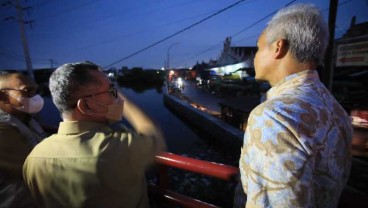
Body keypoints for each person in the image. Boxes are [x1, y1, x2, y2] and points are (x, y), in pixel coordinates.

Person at [235, 4, 353, 208]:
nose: (254, 56)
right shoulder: (336, 109)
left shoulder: (274, 116)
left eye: (259, 48)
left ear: (278, 47)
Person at [23, 61, 166, 208]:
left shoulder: (34, 158)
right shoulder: (117, 149)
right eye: (111, 92)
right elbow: (153, 136)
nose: (116, 99)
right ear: (86, 105)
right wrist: (123, 98)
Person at [0, 70, 46, 207]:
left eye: (36, 91)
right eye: (27, 91)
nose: (35, 96)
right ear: (2, 96)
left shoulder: (24, 117)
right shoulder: (3, 130)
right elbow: (41, 167)